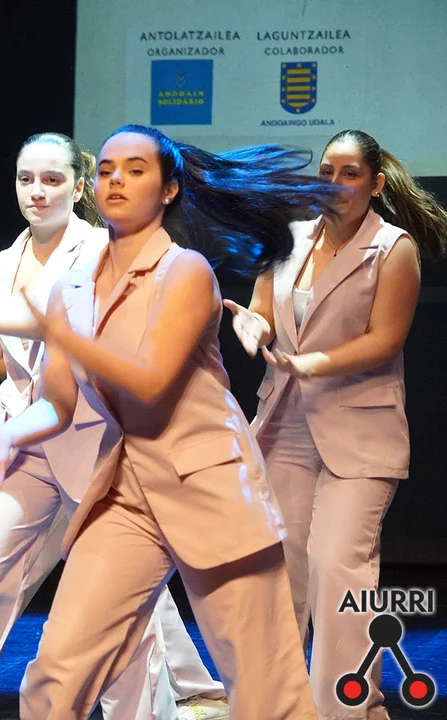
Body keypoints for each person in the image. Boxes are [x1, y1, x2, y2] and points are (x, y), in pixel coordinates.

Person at [0, 125, 342, 719]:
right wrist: (5, 433)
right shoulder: (70, 288)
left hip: (210, 485)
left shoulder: (185, 271)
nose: (116, 181)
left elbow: (150, 384)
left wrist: (60, 331)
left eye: (135, 170)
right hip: (127, 490)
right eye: (107, 170)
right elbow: (57, 403)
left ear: (168, 189)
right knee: (56, 678)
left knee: (268, 692)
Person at [224, 128, 447, 718]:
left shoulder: (393, 248)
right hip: (286, 423)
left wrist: (311, 363)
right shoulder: (290, 238)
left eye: (349, 173)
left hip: (360, 431)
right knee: (283, 569)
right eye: (326, 172)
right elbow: (264, 311)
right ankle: (281, 704)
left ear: (375, 184)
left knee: (338, 566)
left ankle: (349, 708)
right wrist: (252, 325)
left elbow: (385, 339)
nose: (335, 183)